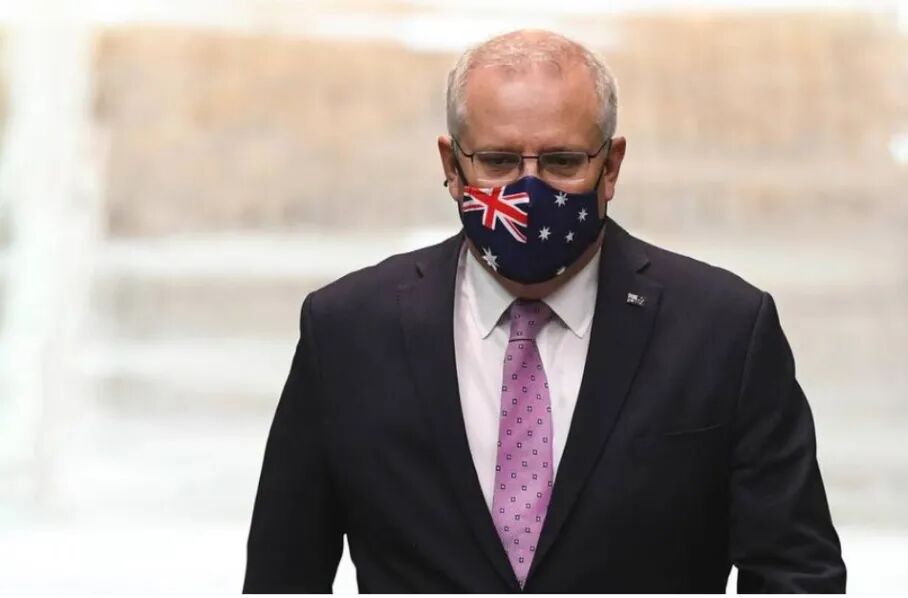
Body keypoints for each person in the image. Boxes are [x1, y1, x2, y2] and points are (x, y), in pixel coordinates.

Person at [243, 29, 846, 593]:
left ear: (610, 166)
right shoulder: (347, 333)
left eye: (561, 163)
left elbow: (796, 574)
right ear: (452, 167)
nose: (529, 191)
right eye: (498, 162)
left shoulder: (724, 333)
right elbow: (282, 575)